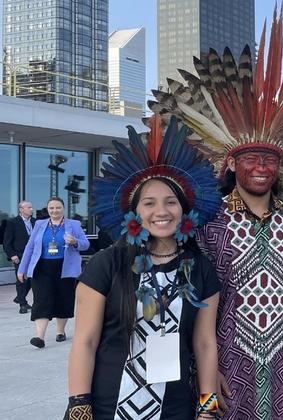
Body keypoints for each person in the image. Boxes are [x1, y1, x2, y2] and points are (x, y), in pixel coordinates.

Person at [150, 9, 283, 418]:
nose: (262, 167)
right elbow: (190, 295)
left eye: (269, 159)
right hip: (225, 363)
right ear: (230, 164)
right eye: (252, 159)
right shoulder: (207, 224)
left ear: (282, 166)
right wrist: (203, 369)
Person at [64, 117, 223, 419]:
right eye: (149, 203)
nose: (161, 211)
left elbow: (204, 344)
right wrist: (78, 405)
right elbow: (85, 341)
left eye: (171, 202)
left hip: (175, 409)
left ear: (184, 210)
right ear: (134, 212)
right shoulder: (106, 264)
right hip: (107, 406)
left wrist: (208, 409)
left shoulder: (201, 268)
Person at [17, 197, 89, 348]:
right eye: (51, 208)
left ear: (63, 209)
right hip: (42, 267)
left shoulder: (74, 225)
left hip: (65, 267)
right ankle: (39, 337)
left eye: (58, 208)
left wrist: (75, 242)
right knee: (42, 299)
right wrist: (22, 269)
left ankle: (60, 331)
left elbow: (85, 244)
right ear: (47, 209)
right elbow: (30, 247)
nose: (54, 211)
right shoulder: (39, 224)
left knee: (63, 299)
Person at [3, 200, 35, 313]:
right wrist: (12, 254)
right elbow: (7, 241)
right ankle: (22, 304)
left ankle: (19, 298)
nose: (31, 209)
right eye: (29, 207)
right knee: (21, 279)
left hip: (33, 255)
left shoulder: (35, 222)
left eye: (31, 207)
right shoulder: (13, 222)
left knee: (31, 279)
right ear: (21, 209)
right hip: (19, 255)